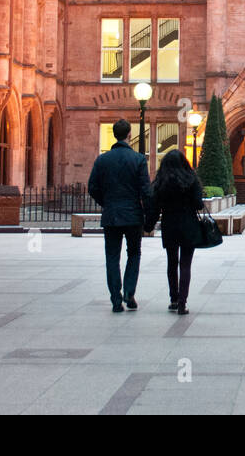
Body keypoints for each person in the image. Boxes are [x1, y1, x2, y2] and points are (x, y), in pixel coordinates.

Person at [87, 118, 153, 313]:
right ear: (129, 135)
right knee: (134, 253)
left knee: (112, 257)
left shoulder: (102, 160)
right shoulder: (139, 159)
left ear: (114, 134)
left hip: (111, 215)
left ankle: (116, 299)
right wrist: (148, 213)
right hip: (133, 215)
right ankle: (129, 292)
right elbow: (146, 191)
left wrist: (106, 202)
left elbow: (92, 188)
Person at [149, 150, 204, 316]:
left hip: (170, 225)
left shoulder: (161, 182)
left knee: (172, 263)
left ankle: (173, 299)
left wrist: (148, 224)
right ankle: (182, 303)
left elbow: (155, 206)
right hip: (188, 224)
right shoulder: (191, 179)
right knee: (185, 264)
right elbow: (198, 204)